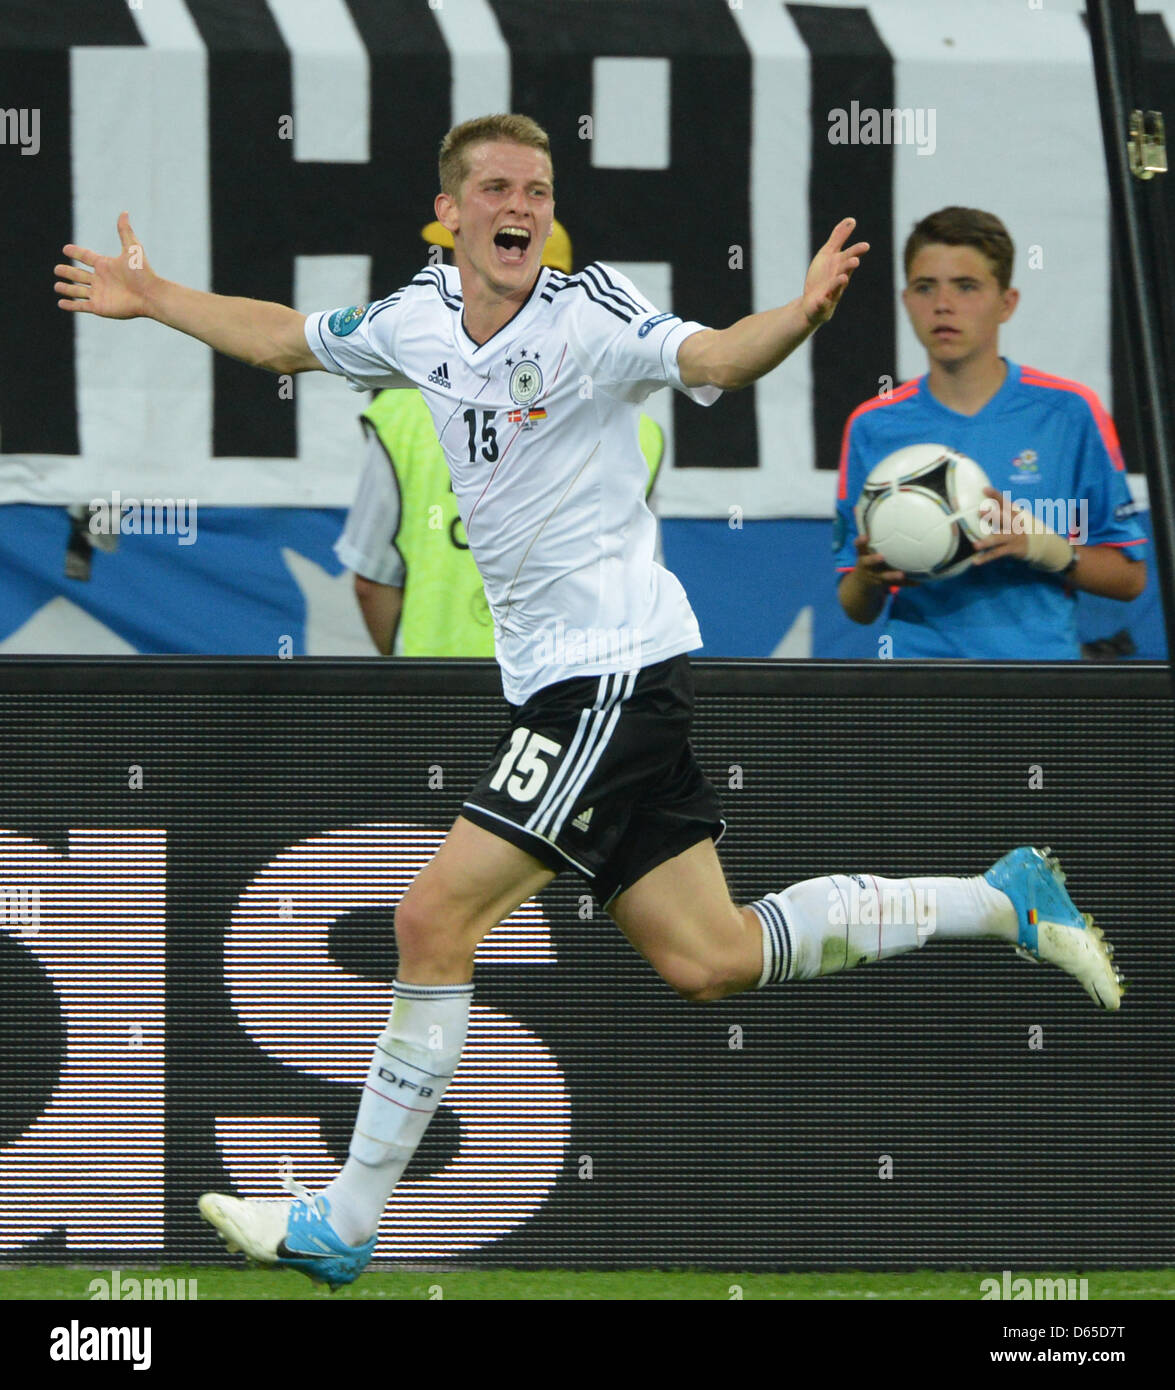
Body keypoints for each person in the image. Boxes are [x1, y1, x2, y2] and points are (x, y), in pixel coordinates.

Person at [55, 116, 1125, 1292]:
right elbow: (284, 342)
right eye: (499, 188)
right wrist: (151, 295)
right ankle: (998, 899)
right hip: (582, 684)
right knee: (710, 958)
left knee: (428, 921)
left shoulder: (590, 318)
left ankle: (346, 1220)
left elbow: (716, 358)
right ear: (453, 212)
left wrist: (798, 316)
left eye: (541, 187)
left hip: (607, 677)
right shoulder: (416, 317)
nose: (523, 205)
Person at [339, 216, 664, 656]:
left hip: (439, 690)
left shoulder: (402, 414)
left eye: (467, 265)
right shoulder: (638, 430)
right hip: (572, 688)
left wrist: (408, 672)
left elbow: (369, 580)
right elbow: (640, 586)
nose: (455, 280)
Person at [835, 207, 1147, 657]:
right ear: (906, 301)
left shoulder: (1069, 413)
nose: (943, 304)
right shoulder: (873, 424)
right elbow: (855, 605)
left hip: (1042, 685)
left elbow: (1130, 579)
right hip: (916, 686)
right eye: (926, 287)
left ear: (1007, 302)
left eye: (966, 286)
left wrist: (1044, 547)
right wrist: (868, 576)